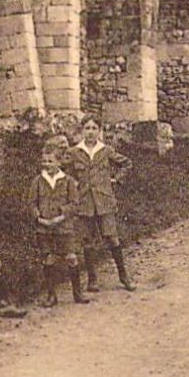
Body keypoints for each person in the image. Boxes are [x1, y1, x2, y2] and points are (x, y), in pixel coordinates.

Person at [62, 116, 135, 292]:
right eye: (87, 128)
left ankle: (124, 276)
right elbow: (63, 172)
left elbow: (126, 163)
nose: (90, 132)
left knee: (112, 237)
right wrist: (73, 183)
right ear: (82, 131)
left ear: (99, 131)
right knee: (87, 240)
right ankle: (92, 279)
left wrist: (116, 180)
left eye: (94, 128)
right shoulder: (74, 152)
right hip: (85, 201)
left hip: (104, 201)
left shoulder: (106, 150)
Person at [28, 146, 88, 306]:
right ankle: (51, 295)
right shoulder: (38, 181)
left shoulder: (68, 181)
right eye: (44, 161)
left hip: (64, 227)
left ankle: (77, 293)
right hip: (44, 228)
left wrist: (61, 216)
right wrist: (39, 218)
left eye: (50, 161)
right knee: (48, 259)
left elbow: (75, 204)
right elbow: (31, 203)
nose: (47, 164)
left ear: (59, 162)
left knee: (71, 257)